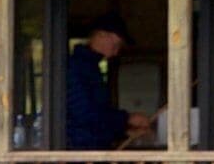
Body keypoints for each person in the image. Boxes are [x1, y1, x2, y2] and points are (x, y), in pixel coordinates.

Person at [61, 19, 150, 151]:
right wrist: (127, 119)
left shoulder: (90, 68)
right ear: (101, 35)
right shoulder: (76, 68)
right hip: (77, 153)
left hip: (88, 149)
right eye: (116, 45)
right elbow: (85, 114)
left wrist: (123, 133)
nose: (116, 52)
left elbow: (97, 117)